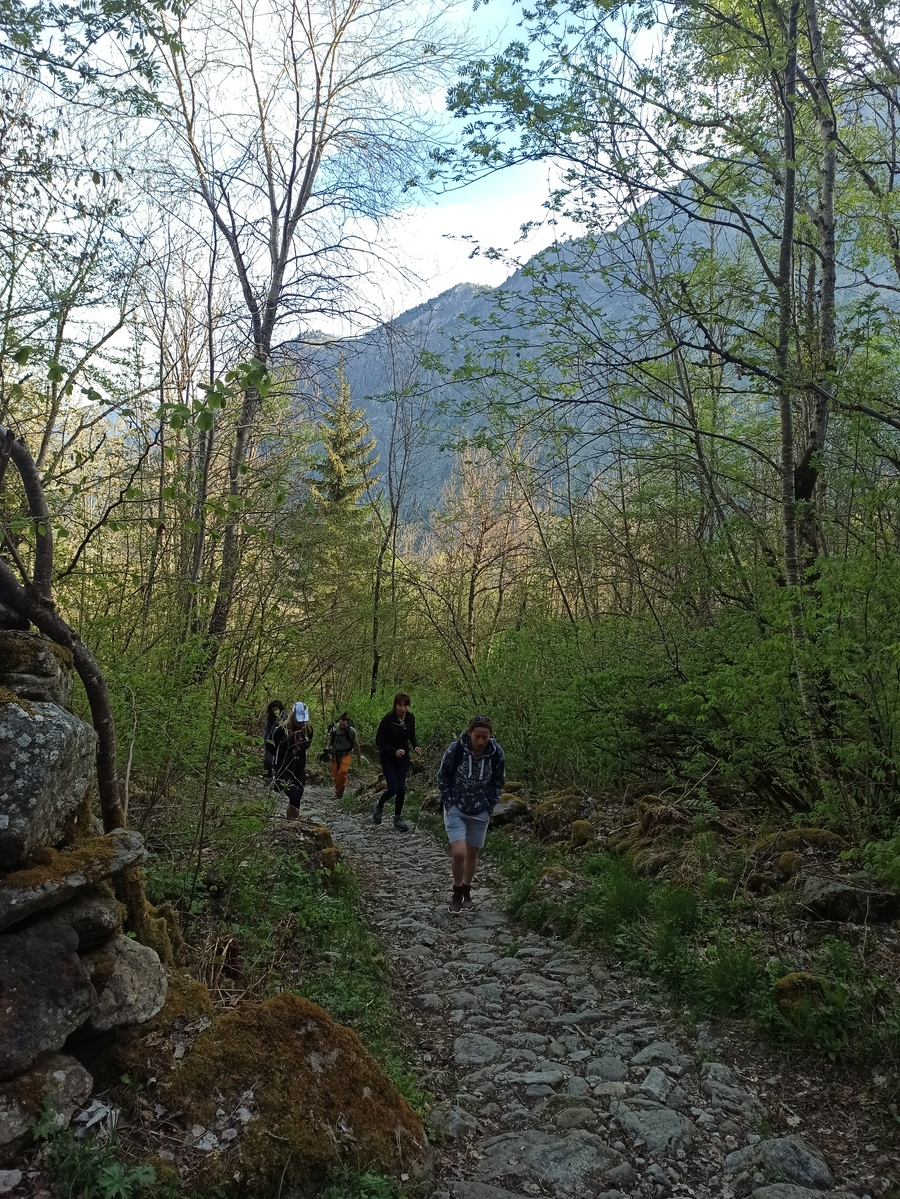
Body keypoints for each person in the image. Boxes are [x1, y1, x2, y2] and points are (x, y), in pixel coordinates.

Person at [437, 714, 505, 914]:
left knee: (472, 852)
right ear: (469, 734)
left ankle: (467, 889)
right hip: (456, 807)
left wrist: (490, 806)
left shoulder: (496, 753)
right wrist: (448, 803)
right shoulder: (456, 749)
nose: (481, 741)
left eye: (485, 737)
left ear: (490, 736)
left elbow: (498, 781)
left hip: (481, 809)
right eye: (477, 737)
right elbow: (442, 776)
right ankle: (457, 891)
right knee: (459, 852)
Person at [372, 692, 420, 832]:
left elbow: (412, 735)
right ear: (395, 705)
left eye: (406, 705)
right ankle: (379, 805)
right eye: (400, 705)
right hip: (388, 757)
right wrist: (394, 751)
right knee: (393, 788)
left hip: (403, 758)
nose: (403, 708)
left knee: (401, 788)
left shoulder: (410, 718)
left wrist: (415, 746)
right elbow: (379, 741)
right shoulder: (388, 719)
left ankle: (398, 818)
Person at [273, 702, 314, 820]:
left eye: (303, 721)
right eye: (299, 720)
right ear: (293, 715)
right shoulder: (281, 731)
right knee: (294, 797)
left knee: (296, 800)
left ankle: (291, 823)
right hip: (283, 770)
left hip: (299, 770)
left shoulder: (308, 731)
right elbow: (272, 748)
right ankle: (291, 823)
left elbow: (307, 745)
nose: (302, 723)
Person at [325, 711, 361, 799]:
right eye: (340, 725)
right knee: (335, 774)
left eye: (343, 725)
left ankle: (341, 790)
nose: (341, 727)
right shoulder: (334, 729)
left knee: (343, 772)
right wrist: (327, 748)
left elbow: (356, 744)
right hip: (335, 754)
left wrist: (359, 758)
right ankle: (338, 791)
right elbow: (330, 739)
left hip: (346, 754)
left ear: (347, 724)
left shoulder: (352, 731)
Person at [262, 700, 286, 779]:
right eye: (273, 711)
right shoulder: (271, 719)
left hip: (280, 745)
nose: (275, 712)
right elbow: (267, 731)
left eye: (276, 710)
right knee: (267, 761)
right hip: (270, 743)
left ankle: (277, 779)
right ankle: (267, 777)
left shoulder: (285, 718)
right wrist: (262, 742)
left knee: (278, 763)